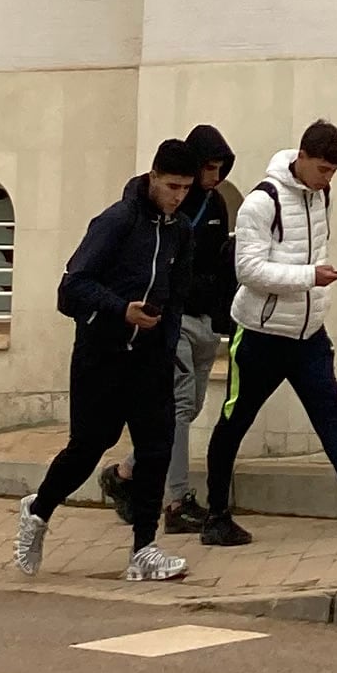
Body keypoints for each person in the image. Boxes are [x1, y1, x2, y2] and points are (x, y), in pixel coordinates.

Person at [199, 119, 337, 546]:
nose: (328, 179)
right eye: (324, 170)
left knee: (331, 410)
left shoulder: (321, 195)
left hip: (308, 330)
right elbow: (248, 270)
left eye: (334, 173)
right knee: (234, 420)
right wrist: (310, 276)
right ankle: (215, 514)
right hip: (260, 333)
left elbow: (316, 248)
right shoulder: (261, 202)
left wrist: (316, 285)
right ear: (303, 157)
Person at [12, 139, 200, 583]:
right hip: (102, 354)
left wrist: (168, 342)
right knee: (89, 446)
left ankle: (144, 549)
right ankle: (38, 512)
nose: (178, 196)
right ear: (153, 176)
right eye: (172, 186)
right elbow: (71, 289)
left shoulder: (181, 230)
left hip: (151, 358)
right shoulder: (117, 221)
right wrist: (121, 310)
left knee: (157, 447)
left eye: (186, 189)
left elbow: (176, 295)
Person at [103, 123, 236, 535]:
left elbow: (216, 261)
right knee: (177, 408)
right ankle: (176, 501)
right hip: (169, 320)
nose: (213, 177)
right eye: (208, 168)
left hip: (203, 319)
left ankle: (124, 474)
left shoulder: (214, 206)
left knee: (190, 407)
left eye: (220, 168)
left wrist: (219, 304)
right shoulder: (156, 205)